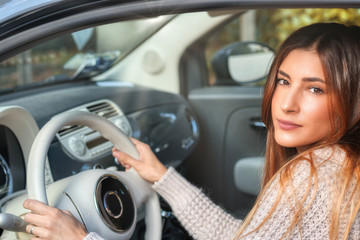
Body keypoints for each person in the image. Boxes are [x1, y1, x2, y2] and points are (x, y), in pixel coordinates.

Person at [23, 22, 360, 239]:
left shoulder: (316, 172)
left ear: (353, 100)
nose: (287, 103)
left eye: (316, 89)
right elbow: (245, 236)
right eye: (284, 82)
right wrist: (161, 176)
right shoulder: (341, 167)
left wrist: (80, 238)